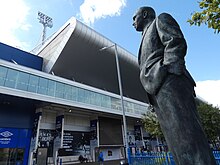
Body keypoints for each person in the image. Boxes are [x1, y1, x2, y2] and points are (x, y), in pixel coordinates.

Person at [132, 6, 216, 165]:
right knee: (175, 141)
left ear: (144, 14)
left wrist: (167, 69)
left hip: (170, 83)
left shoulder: (160, 20)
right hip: (157, 91)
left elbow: (176, 42)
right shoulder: (143, 37)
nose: (132, 22)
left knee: (189, 136)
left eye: (134, 17)